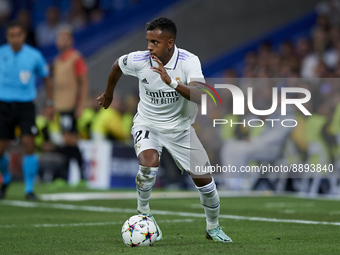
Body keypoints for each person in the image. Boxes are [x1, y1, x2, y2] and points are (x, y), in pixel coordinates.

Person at [97, 17, 232, 243]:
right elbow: (117, 65)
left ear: (170, 43)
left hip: (180, 129)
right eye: (148, 40)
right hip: (147, 123)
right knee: (147, 166)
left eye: (155, 42)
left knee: (207, 184)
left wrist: (170, 82)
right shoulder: (139, 59)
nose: (149, 46)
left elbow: (200, 95)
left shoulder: (189, 61)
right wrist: (109, 93)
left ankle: (213, 227)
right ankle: (144, 214)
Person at [0, 22, 54, 200]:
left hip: (25, 106)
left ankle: (29, 189)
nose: (15, 39)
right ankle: (6, 177)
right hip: (3, 105)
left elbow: (46, 78)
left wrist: (50, 103)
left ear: (23, 36)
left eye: (18, 35)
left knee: (29, 145)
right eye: (11, 35)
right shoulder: (1, 53)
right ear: (7, 37)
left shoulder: (34, 55)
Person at [53, 25, 89, 182]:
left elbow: (84, 82)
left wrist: (81, 105)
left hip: (71, 105)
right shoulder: (56, 61)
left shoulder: (75, 58)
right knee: (68, 140)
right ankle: (75, 176)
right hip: (60, 106)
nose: (62, 40)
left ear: (71, 40)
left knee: (70, 140)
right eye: (60, 38)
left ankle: (69, 176)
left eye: (65, 38)